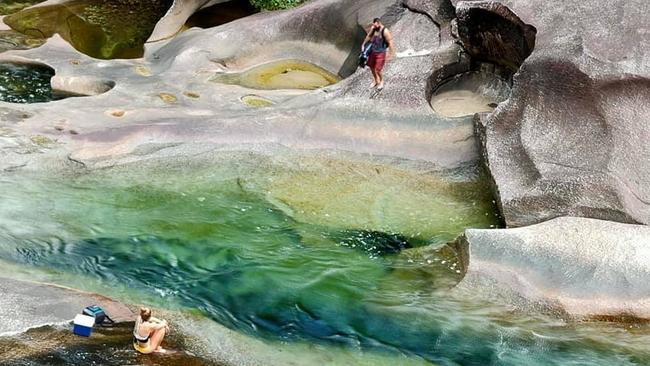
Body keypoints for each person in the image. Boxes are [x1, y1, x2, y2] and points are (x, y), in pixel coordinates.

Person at [361, 18, 395, 90]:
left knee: (378, 69)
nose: (374, 27)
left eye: (376, 25)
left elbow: (390, 41)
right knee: (371, 67)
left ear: (379, 23)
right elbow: (369, 36)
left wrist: (391, 53)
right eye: (374, 25)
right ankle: (376, 80)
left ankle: (381, 81)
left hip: (381, 52)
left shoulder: (385, 31)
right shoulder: (374, 28)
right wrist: (363, 44)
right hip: (373, 51)